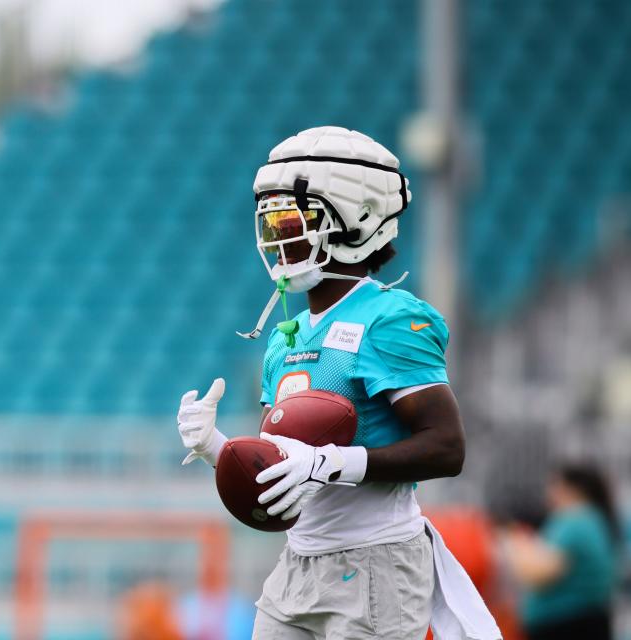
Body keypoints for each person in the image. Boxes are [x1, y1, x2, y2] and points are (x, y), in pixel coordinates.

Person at [176, 127, 502, 639]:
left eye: (293, 221)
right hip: (299, 563)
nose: (278, 238)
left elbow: (447, 448)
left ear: (359, 220)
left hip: (377, 565)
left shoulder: (389, 318)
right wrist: (216, 448)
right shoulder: (286, 337)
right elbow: (284, 467)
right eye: (272, 222)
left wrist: (334, 462)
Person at [502, 462, 620, 640]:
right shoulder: (592, 518)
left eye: (554, 484)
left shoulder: (575, 520)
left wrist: (513, 541)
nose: (549, 492)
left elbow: (538, 574)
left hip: (568, 627)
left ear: (570, 488)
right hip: (582, 623)